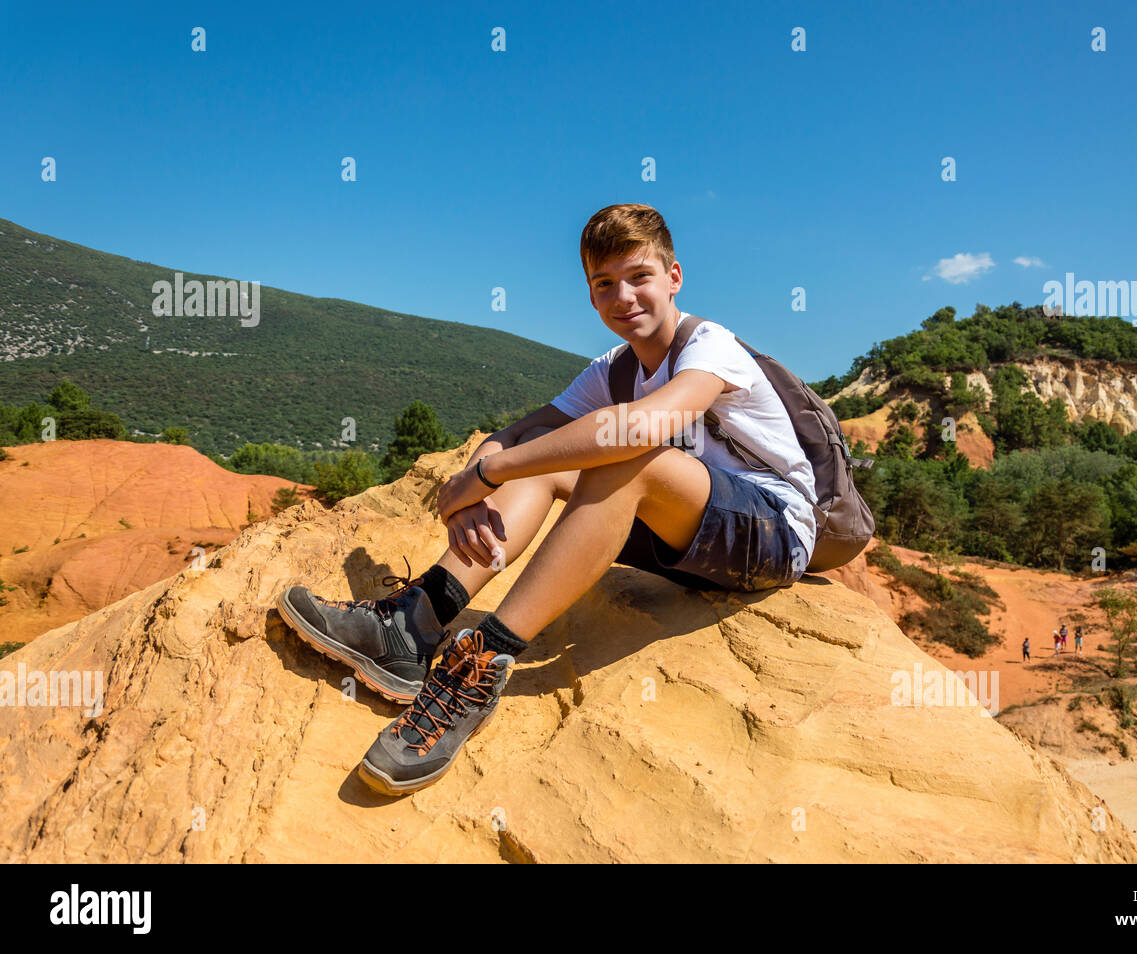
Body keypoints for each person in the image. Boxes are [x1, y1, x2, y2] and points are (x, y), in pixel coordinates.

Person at [277, 204, 819, 795]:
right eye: (604, 284)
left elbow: (633, 432)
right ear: (591, 297)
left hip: (773, 536)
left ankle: (481, 664)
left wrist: (490, 473)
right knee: (547, 461)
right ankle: (412, 625)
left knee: (620, 457)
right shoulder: (613, 369)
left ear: (674, 277)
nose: (625, 296)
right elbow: (526, 432)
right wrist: (472, 477)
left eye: (639, 276)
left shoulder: (710, 346)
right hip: (685, 536)